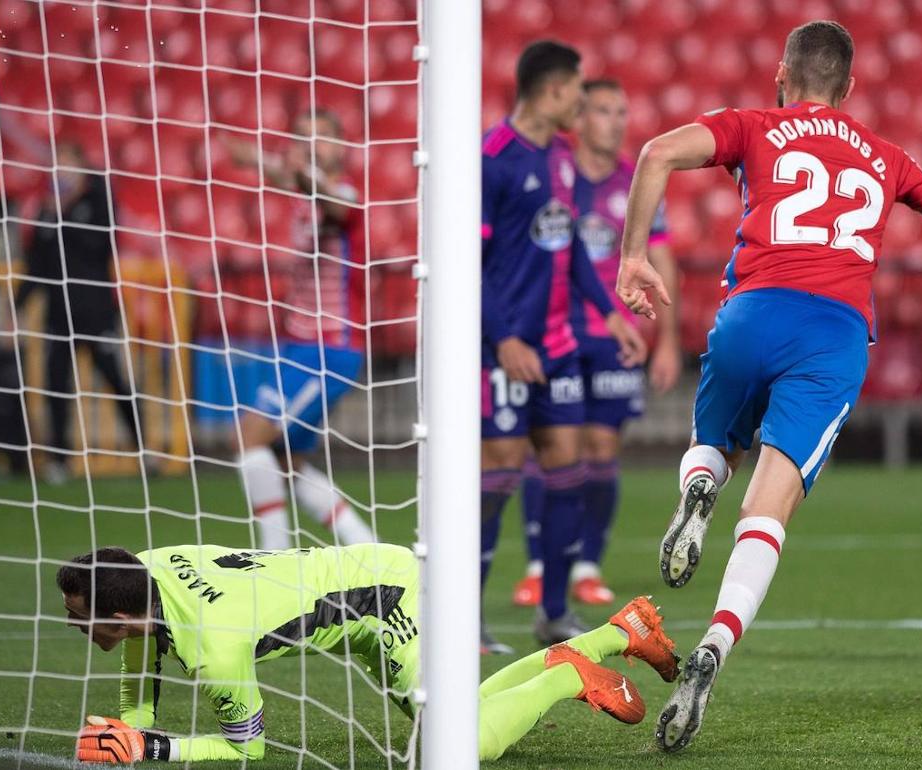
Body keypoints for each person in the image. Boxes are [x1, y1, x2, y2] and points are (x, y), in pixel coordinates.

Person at [615, 21, 922, 752]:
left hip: (754, 310)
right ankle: (716, 646)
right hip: (834, 336)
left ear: (782, 74)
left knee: (713, 444)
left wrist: (634, 259)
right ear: (848, 89)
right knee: (771, 506)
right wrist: (905, 186)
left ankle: (698, 489)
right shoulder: (884, 156)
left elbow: (658, 152)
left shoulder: (754, 125)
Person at [57, 545, 679, 763]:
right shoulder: (149, 570)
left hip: (387, 599)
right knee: (454, 714)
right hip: (358, 596)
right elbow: (141, 651)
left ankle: (568, 676)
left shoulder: (216, 649)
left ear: (115, 617)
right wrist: (128, 727)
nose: (68, 620)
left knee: (460, 746)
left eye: (77, 613)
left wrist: (154, 746)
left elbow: (247, 748)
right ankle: (620, 633)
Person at [480, 42, 648, 652]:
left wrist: (611, 313)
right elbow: (469, 263)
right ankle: (461, 613)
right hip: (501, 350)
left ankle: (553, 614)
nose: (583, 100)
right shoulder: (493, 158)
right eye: (579, 90)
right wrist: (502, 341)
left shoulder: (561, 158)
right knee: (495, 481)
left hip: (560, 346)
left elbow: (571, 248)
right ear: (553, 91)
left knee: (568, 474)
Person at [514, 79, 681, 609]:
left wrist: (669, 340)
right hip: (556, 330)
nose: (617, 121)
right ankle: (541, 567)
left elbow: (662, 253)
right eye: (605, 111)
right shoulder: (553, 169)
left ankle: (586, 566)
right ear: (580, 118)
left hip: (613, 337)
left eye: (622, 111)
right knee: (550, 449)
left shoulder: (637, 178)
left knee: (603, 450)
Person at [223, 110, 376, 549]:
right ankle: (368, 550)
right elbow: (283, 172)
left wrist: (295, 168)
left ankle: (275, 561)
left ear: (342, 149)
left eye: (323, 138)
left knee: (249, 438)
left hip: (330, 350)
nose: (312, 146)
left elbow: (333, 202)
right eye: (303, 138)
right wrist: (253, 158)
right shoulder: (300, 190)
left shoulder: (344, 194)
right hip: (297, 347)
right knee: (285, 460)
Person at [14, 141, 142, 484]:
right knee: (57, 385)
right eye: (58, 166)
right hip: (58, 313)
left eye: (69, 164)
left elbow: (103, 244)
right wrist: (18, 303)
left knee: (115, 378)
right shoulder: (44, 210)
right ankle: (60, 460)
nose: (62, 172)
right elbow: (37, 262)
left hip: (96, 311)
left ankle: (143, 449)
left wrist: (67, 210)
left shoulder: (96, 203)